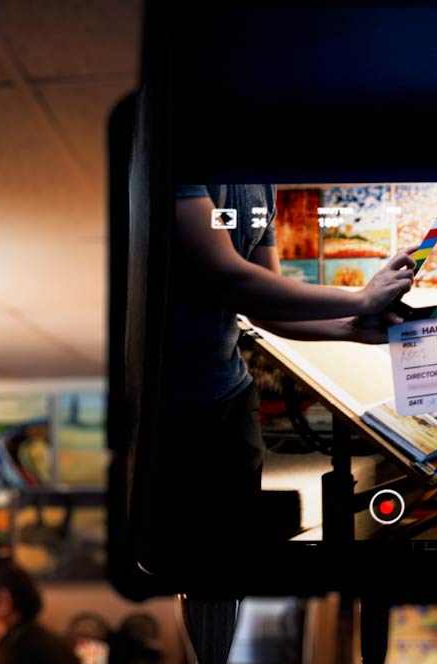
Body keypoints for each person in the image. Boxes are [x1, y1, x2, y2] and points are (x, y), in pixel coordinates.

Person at [149, 185, 415, 571]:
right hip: (165, 407)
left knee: (233, 559)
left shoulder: (261, 182)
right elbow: (227, 277)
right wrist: (359, 299)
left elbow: (264, 306)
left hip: (229, 396)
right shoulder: (183, 156)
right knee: (177, 560)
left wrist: (351, 328)